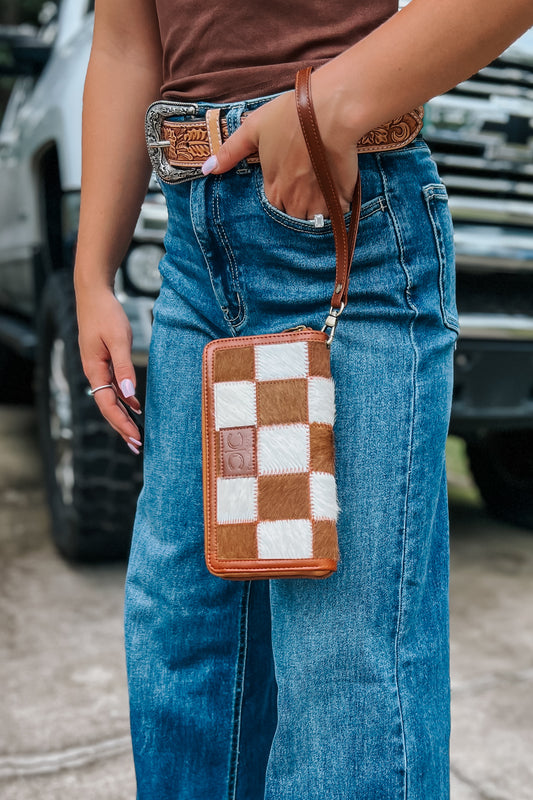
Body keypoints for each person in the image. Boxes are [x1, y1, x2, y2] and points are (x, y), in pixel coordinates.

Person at [74, 1, 533, 797]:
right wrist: (91, 273)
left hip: (345, 219)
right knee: (181, 643)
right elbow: (123, 43)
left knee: (343, 674)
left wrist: (336, 100)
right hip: (194, 250)